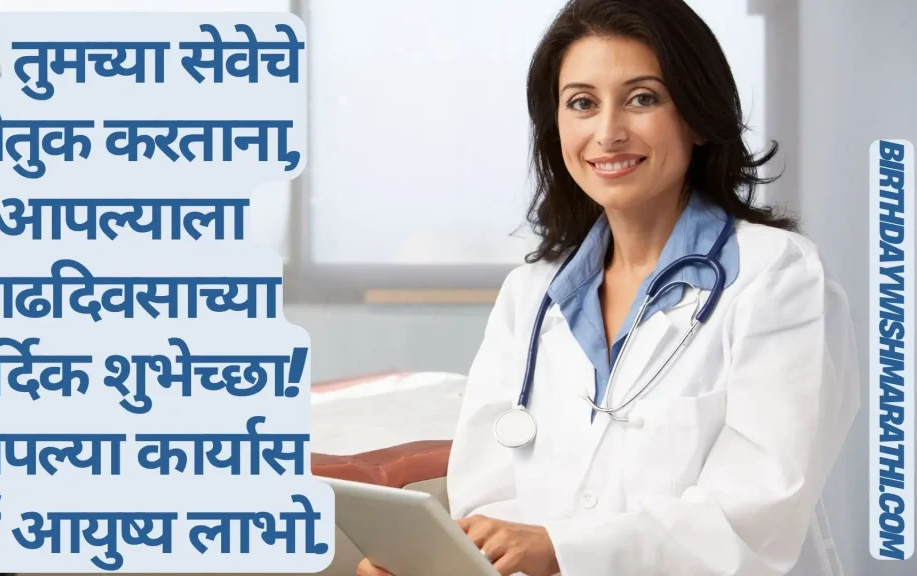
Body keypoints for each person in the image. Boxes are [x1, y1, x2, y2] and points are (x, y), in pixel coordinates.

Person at [358, 0, 860, 574]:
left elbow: (757, 512)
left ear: (696, 115)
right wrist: (438, 565)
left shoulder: (778, 277)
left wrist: (563, 549)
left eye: (642, 98)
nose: (608, 132)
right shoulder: (532, 297)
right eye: (582, 103)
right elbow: (490, 508)